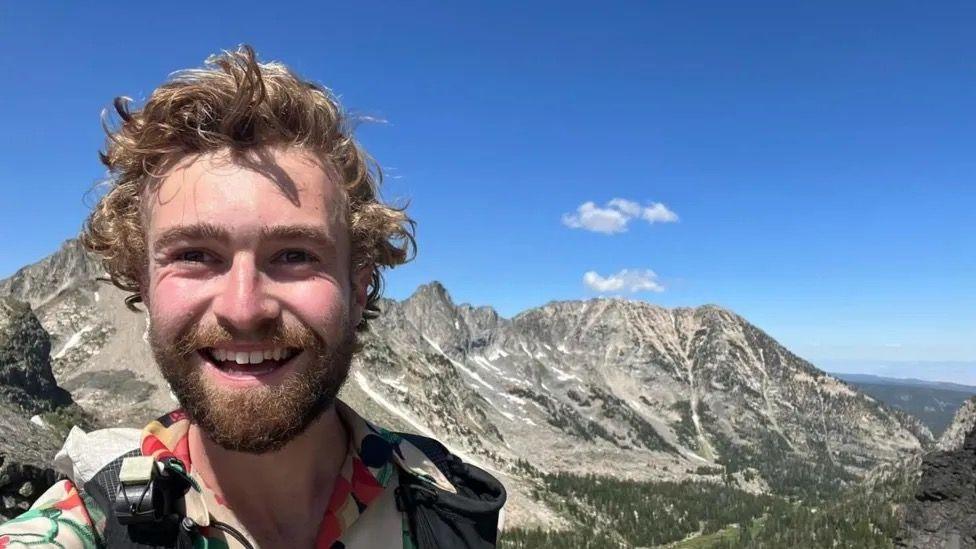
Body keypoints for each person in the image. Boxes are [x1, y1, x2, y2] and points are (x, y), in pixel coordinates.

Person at [0, 45, 505, 549]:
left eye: (295, 255)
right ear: (143, 284)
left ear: (360, 288)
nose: (244, 309)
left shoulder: (449, 503)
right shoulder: (86, 527)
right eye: (195, 255)